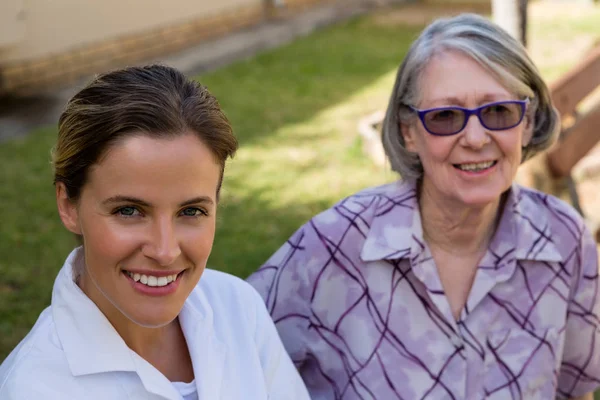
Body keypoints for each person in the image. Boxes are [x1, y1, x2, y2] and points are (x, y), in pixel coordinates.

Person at [247, 13, 600, 400]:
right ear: (408, 132)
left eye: (499, 111)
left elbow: (576, 389)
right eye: (445, 116)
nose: (476, 138)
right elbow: (225, 358)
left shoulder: (565, 240)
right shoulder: (331, 247)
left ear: (528, 123)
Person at [0, 65, 310, 400]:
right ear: (69, 205)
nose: (165, 251)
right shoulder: (33, 388)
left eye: (191, 211)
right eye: (129, 211)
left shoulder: (238, 307)